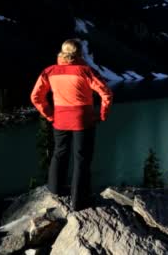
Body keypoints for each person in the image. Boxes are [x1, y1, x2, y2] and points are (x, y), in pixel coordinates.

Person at [30, 39, 113, 211]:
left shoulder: (49, 71)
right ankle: (79, 201)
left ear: (62, 52)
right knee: (81, 159)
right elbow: (106, 93)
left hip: (59, 119)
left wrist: (49, 114)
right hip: (83, 120)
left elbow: (35, 97)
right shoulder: (86, 71)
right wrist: (102, 114)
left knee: (59, 153)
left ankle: (55, 190)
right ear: (80, 53)